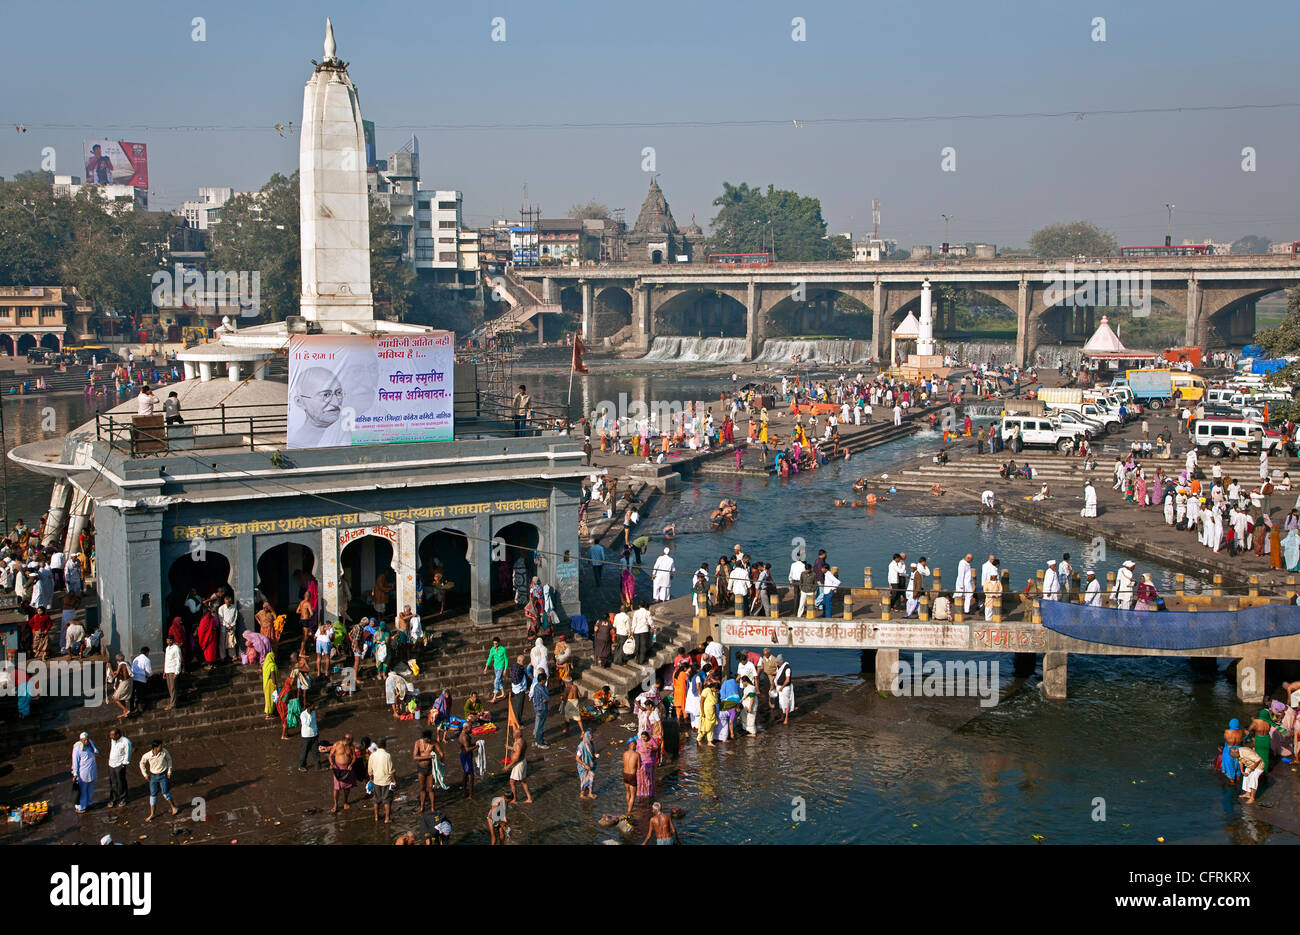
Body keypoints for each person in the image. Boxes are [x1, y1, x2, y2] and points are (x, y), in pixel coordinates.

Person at [139, 739, 179, 822]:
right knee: (153, 795)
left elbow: (169, 760)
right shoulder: (147, 755)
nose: (162, 747)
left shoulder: (164, 752)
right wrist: (145, 774)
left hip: (163, 775)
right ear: (155, 748)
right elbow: (142, 763)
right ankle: (152, 813)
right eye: (160, 746)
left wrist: (169, 771)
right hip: (153, 777)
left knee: (165, 793)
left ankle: (173, 807)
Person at [330, 734, 359, 813]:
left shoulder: (351, 747)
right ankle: (335, 805)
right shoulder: (337, 744)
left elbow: (354, 757)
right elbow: (330, 755)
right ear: (348, 739)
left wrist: (351, 764)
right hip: (337, 768)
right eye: (352, 739)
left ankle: (345, 802)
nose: (353, 741)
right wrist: (332, 764)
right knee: (336, 788)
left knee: (347, 787)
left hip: (347, 768)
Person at [368, 739, 395, 823]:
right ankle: (387, 818)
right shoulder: (387, 755)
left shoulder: (372, 755)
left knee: (376, 800)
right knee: (387, 800)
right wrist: (394, 780)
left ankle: (376, 817)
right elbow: (391, 770)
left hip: (376, 780)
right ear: (385, 745)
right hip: (386, 781)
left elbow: (369, 769)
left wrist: (371, 778)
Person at [71, 732, 99, 813]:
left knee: (90, 790)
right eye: (84, 740)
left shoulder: (90, 744)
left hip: (92, 771)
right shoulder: (77, 749)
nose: (86, 741)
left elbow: (96, 751)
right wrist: (75, 774)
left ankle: (89, 804)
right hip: (83, 773)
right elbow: (75, 762)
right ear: (81, 740)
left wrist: (92, 745)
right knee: (83, 791)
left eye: (87, 739)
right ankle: (81, 807)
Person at [413, 730, 440, 812]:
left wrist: (441, 764)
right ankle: (422, 807)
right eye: (426, 740)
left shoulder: (434, 743)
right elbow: (415, 757)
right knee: (422, 788)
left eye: (428, 740)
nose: (427, 741)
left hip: (430, 768)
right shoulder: (418, 743)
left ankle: (432, 807)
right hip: (421, 768)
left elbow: (441, 753)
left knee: (431, 788)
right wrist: (429, 757)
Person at [106, 727, 131, 808]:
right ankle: (113, 799)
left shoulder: (126, 742)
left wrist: (124, 764)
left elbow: (128, 753)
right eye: (110, 735)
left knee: (121, 782)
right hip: (111, 764)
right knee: (113, 782)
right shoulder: (113, 740)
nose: (111, 737)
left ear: (118, 735)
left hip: (120, 765)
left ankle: (123, 799)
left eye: (113, 735)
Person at [506, 729, 532, 804]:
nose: (513, 734)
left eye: (514, 733)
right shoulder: (522, 740)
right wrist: (510, 748)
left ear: (517, 735)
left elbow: (517, 757)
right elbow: (518, 750)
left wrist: (508, 766)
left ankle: (514, 799)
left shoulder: (518, 743)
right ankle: (529, 798)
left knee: (512, 782)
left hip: (518, 764)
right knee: (523, 781)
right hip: (522, 762)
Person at [298, 700, 322, 771]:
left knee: (316, 751)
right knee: (304, 752)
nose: (314, 706)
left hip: (314, 735)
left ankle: (318, 767)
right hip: (306, 737)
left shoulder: (314, 712)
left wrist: (316, 731)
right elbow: (307, 724)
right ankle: (301, 766)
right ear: (309, 707)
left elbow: (314, 723)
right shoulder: (303, 715)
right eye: (313, 705)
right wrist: (309, 714)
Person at [458, 717, 477, 799]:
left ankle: (464, 791)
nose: (471, 729)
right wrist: (476, 746)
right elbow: (467, 749)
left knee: (465, 773)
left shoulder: (464, 735)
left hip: (465, 756)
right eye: (470, 728)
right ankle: (470, 794)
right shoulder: (464, 737)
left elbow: (468, 746)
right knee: (470, 775)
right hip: (466, 756)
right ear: (465, 728)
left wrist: (473, 744)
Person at [575, 729, 596, 799]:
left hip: (591, 765)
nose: (592, 739)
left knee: (591, 778)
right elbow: (577, 758)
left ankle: (590, 793)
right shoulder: (581, 746)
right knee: (585, 780)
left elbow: (592, 754)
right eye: (590, 738)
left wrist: (595, 756)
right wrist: (584, 764)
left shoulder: (591, 744)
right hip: (583, 766)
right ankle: (582, 794)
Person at [621, 739, 640, 815]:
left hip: (625, 774)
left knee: (627, 792)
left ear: (629, 746)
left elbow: (624, 763)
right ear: (635, 747)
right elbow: (639, 767)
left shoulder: (624, 753)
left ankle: (629, 806)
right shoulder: (637, 755)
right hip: (632, 775)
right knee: (633, 795)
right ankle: (629, 812)